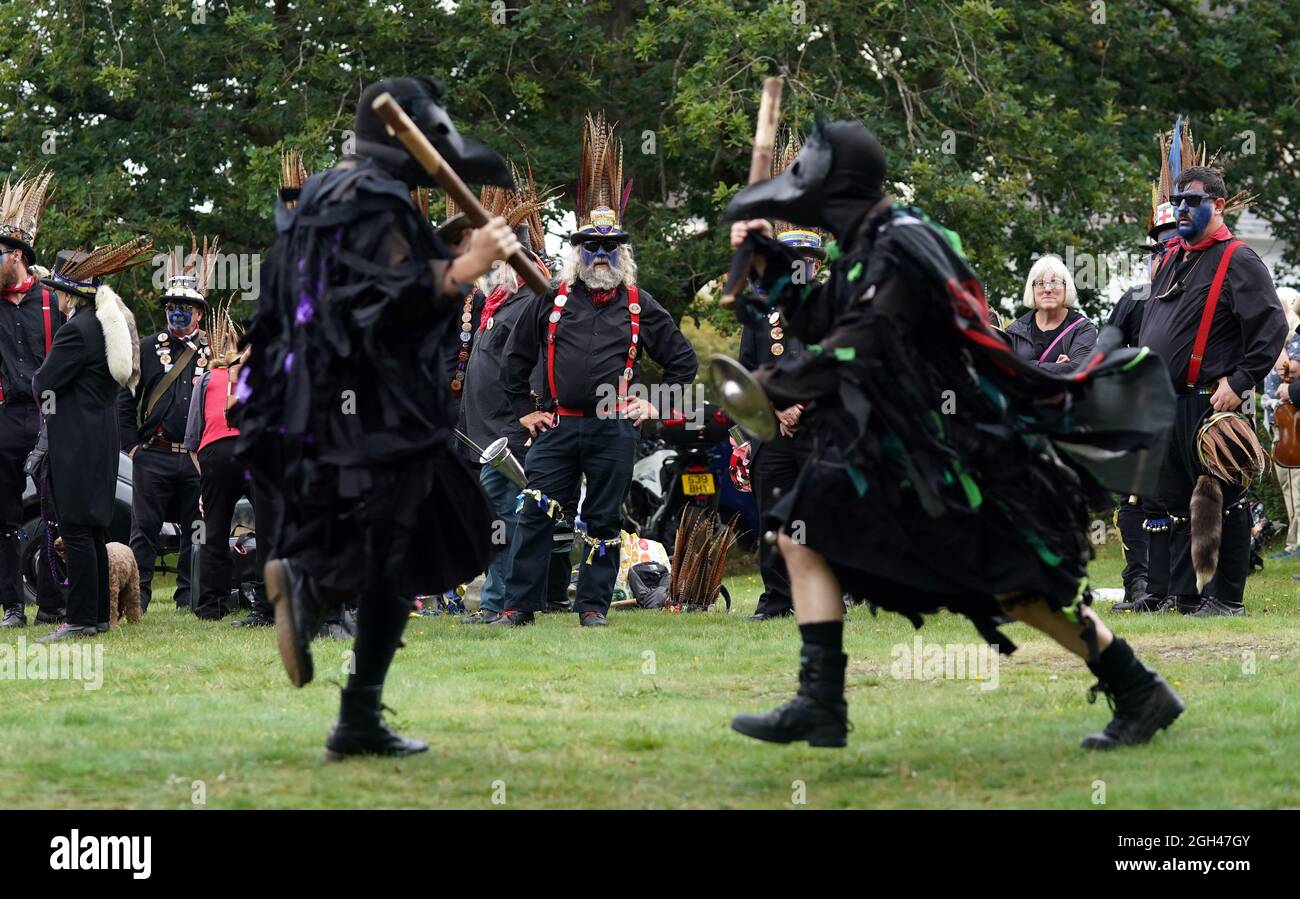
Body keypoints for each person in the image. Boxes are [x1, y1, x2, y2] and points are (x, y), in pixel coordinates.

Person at [721, 116, 1182, 751]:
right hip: (899, 453)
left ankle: (1137, 688)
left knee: (1019, 588)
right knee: (801, 532)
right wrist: (771, 265)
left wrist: (781, 381)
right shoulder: (864, 244)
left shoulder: (904, 246)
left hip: (955, 454)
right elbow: (824, 318)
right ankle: (820, 702)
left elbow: (866, 341)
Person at [235, 75, 519, 758]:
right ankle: (314, 585)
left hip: (326, 407)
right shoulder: (373, 195)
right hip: (374, 414)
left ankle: (357, 711)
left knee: (408, 546)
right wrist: (462, 269)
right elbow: (374, 302)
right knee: (424, 527)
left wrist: (446, 250)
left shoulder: (335, 189)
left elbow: (352, 282)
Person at [490, 112, 698, 628]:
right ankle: (519, 606)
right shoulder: (551, 299)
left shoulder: (639, 303)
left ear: (622, 252)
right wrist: (524, 412)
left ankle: (593, 608)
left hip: (613, 428)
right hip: (557, 424)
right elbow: (513, 360)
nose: (600, 255)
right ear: (578, 251)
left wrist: (653, 404)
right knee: (535, 512)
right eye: (591, 246)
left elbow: (683, 362)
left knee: (604, 521)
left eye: (609, 247)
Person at [1138, 121, 1286, 617]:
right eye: (1177, 202)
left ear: (1217, 206)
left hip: (1210, 401)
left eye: (1191, 202)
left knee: (1226, 499)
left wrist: (1240, 381)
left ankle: (1226, 598)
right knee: (1178, 502)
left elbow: (1270, 329)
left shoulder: (1238, 260)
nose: (1181, 209)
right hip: (1166, 401)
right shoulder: (1172, 259)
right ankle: (1185, 596)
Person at [31, 241, 146, 641]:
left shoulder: (75, 332)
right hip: (102, 442)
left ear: (68, 294)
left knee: (77, 530)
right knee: (93, 531)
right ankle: (97, 616)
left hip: (76, 445)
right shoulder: (98, 328)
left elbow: (42, 382)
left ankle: (79, 619)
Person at [459, 167, 556, 625]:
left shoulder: (527, 307)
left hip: (509, 435)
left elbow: (533, 371)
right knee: (494, 519)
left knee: (507, 518)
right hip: (482, 434)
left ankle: (500, 603)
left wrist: (531, 418)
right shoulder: (492, 308)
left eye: (503, 264)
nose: (493, 272)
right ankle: (498, 601)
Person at [734, 130, 822, 622]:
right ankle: (776, 599)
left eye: (808, 261)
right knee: (774, 516)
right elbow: (747, 372)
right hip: (771, 431)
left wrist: (803, 406)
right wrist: (778, 408)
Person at [117, 238, 217, 612]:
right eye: (172, 306)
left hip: (196, 457)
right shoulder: (146, 346)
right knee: (143, 530)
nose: (177, 313)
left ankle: (189, 598)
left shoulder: (216, 349)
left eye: (185, 308)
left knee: (197, 530)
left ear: (199, 313)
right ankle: (137, 598)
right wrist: (131, 446)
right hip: (153, 454)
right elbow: (124, 398)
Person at [1111, 129, 1183, 613]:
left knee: (1181, 502)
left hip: (1192, 411)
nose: (1166, 253)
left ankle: (1183, 586)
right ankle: (1140, 584)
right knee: (1135, 502)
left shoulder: (1202, 294)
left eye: (1173, 243)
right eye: (1159, 246)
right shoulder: (1134, 300)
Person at [0, 170, 67, 629]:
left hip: (50, 416)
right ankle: (12, 607)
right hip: (4, 417)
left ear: (18, 256)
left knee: (54, 510)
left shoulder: (53, 299)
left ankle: (53, 603)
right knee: (4, 515)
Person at [183, 306, 260, 621]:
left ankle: (211, 605)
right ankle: (267, 601)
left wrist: (205, 483)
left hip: (213, 452)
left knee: (214, 530)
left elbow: (192, 437)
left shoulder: (205, 379)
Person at [1005, 255, 1097, 373]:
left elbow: (1079, 370)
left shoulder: (1082, 329)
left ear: (1066, 287)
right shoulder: (1015, 331)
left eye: (1055, 282)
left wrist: (1022, 366)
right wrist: (1056, 368)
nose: (1047, 289)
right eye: (1040, 283)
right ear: (1032, 289)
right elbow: (1004, 371)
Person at [1264, 286, 1300, 558]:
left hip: (1292, 423)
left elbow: (1289, 369)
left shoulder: (1292, 341)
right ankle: (1292, 540)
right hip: (1281, 422)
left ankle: (1295, 543)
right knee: (1288, 486)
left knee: (1296, 486)